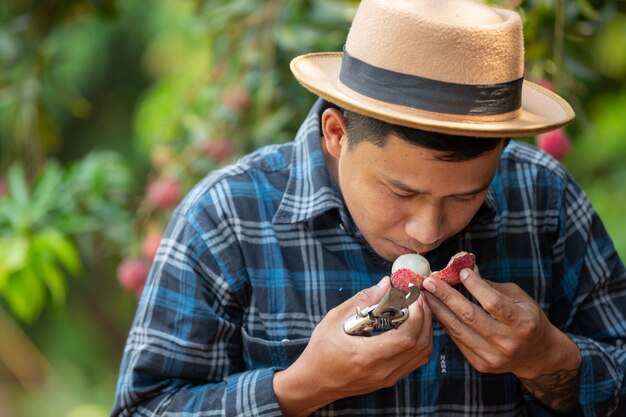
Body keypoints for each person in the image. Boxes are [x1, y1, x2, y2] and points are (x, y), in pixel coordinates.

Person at [111, 0, 626, 416]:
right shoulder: (225, 218)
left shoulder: (544, 199)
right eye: (401, 192)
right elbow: (145, 408)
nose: (427, 231)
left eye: (467, 196)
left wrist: (549, 358)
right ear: (337, 134)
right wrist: (301, 388)